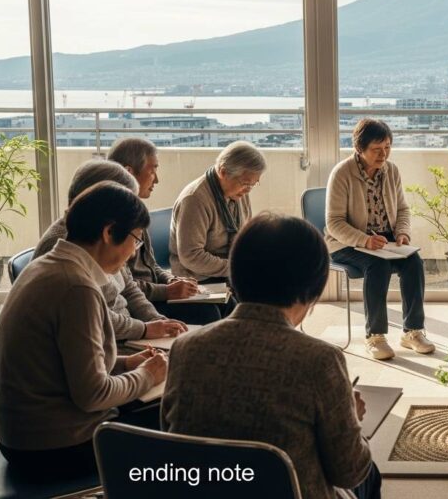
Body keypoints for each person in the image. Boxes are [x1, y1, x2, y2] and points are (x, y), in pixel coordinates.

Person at [162, 213, 380, 499]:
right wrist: (351, 418)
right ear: (311, 289)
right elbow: (349, 470)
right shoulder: (319, 360)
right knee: (368, 473)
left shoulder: (185, 348)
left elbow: (171, 439)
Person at [0, 182, 168, 479]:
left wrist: (128, 364)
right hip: (57, 446)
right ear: (108, 232)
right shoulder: (77, 287)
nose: (132, 254)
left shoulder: (48, 266)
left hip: (22, 436)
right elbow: (93, 395)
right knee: (173, 420)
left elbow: (63, 362)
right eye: (136, 240)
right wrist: (147, 376)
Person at [34, 160, 187, 341]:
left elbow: (128, 286)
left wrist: (156, 320)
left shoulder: (103, 242)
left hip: (124, 332)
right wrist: (144, 329)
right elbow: (94, 320)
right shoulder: (70, 248)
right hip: (113, 338)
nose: (133, 253)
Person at [325, 118, 433, 360]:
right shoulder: (342, 173)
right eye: (376, 149)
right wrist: (364, 240)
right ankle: (375, 336)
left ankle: (413, 331)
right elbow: (334, 223)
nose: (383, 154)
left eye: (387, 147)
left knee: (414, 262)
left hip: (386, 241)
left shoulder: (391, 170)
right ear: (359, 148)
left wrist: (402, 233)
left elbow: (403, 209)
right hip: (346, 242)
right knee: (378, 265)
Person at [108, 137, 221, 325]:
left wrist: (172, 280)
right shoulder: (117, 220)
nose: (157, 180)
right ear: (129, 172)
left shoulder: (135, 210)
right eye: (152, 170)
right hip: (141, 302)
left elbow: (152, 265)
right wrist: (167, 291)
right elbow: (124, 285)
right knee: (207, 312)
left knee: (225, 302)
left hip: (155, 293)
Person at [169, 140, 265, 282]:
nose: (248, 190)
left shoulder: (239, 192)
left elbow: (245, 235)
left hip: (229, 269)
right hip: (198, 277)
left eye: (253, 184)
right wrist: (236, 268)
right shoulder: (195, 199)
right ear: (223, 172)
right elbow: (191, 256)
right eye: (245, 183)